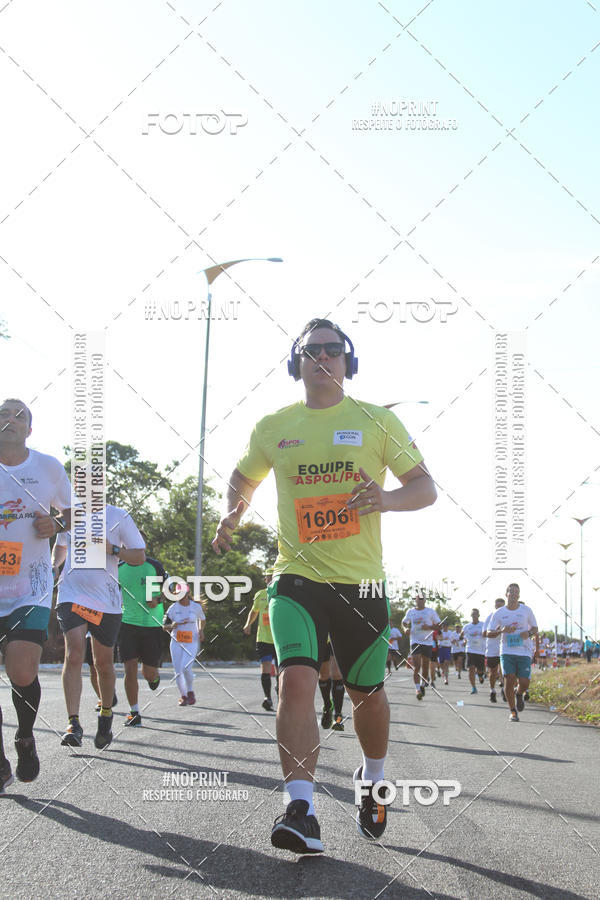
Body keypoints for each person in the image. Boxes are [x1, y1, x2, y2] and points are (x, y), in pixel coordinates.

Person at [212, 318, 436, 853]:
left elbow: (425, 488)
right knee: (296, 683)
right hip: (295, 578)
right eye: (312, 351)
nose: (323, 358)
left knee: (367, 695)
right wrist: (232, 514)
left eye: (333, 351)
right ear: (297, 363)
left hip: (360, 585)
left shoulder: (377, 420)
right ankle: (301, 809)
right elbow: (243, 476)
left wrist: (386, 499)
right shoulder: (274, 426)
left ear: (348, 362)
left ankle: (373, 779)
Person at [0, 398, 71, 791]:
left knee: (21, 670)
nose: (10, 419)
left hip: (31, 586)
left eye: (19, 415)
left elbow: (76, 512)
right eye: (2, 414)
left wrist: (56, 522)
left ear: (29, 429)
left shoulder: (47, 467)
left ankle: (24, 738)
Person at [53, 506, 145, 748]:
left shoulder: (118, 516)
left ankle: (106, 714)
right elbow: (61, 545)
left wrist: (113, 549)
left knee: (102, 662)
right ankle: (73, 723)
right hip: (71, 595)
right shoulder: (69, 514)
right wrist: (54, 566)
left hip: (106, 601)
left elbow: (139, 556)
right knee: (73, 653)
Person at [118, 544, 169, 726]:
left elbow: (176, 588)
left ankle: (153, 677)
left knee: (148, 673)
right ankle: (134, 711)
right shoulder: (118, 569)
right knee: (129, 668)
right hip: (127, 624)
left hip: (152, 626)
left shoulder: (154, 566)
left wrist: (158, 599)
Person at [487, 583, 538, 722]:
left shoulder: (526, 610)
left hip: (524, 651)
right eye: (511, 592)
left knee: (524, 681)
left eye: (517, 592)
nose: (514, 594)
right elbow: (488, 633)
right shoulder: (499, 613)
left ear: (519, 595)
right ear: (506, 594)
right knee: (509, 679)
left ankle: (519, 693)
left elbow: (535, 628)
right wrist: (501, 631)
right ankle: (513, 711)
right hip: (507, 651)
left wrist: (528, 633)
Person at [163, 583, 205, 706]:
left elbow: (202, 619)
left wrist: (201, 630)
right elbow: (164, 626)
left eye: (183, 594)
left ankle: (190, 691)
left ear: (187, 594)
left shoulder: (195, 607)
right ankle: (183, 696)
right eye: (178, 594)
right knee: (178, 671)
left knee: (185, 667)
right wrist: (171, 626)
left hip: (191, 642)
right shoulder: (172, 608)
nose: (181, 596)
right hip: (176, 642)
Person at [243, 570, 278, 711]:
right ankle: (267, 698)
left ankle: (280, 693)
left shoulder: (282, 592)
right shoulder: (260, 594)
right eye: (267, 577)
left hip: (279, 639)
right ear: (265, 579)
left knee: (281, 672)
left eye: (272, 577)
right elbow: (254, 611)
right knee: (266, 669)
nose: (269, 579)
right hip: (263, 639)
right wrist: (248, 623)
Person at [402, 594, 441, 700]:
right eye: (417, 599)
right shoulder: (411, 612)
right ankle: (417, 689)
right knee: (417, 666)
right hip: (415, 641)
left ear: (425, 600)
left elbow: (439, 625)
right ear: (415, 600)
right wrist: (405, 629)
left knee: (425, 667)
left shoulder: (430, 612)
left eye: (421, 599)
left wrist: (429, 627)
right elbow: (404, 622)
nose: (419, 601)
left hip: (427, 643)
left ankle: (423, 684)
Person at [318, 640, 346, 730]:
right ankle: (327, 707)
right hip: (322, 636)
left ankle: (338, 717)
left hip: (337, 633)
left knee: (337, 674)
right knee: (323, 675)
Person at [483, 598, 505, 703]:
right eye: (498, 606)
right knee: (493, 672)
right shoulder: (490, 617)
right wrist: (497, 631)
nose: (500, 608)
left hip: (505, 648)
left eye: (502, 606)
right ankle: (492, 690)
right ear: (495, 606)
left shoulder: (507, 616)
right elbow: (484, 633)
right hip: (492, 648)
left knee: (505, 671)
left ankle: (504, 689)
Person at [461, 609, 486, 694]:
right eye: (473, 614)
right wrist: (462, 636)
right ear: (471, 615)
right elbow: (462, 635)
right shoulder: (467, 626)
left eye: (476, 614)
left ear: (478, 615)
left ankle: (480, 676)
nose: (474, 616)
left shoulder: (483, 625)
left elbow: (487, 633)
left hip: (481, 651)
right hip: (470, 650)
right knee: (471, 669)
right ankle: (473, 687)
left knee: (480, 670)